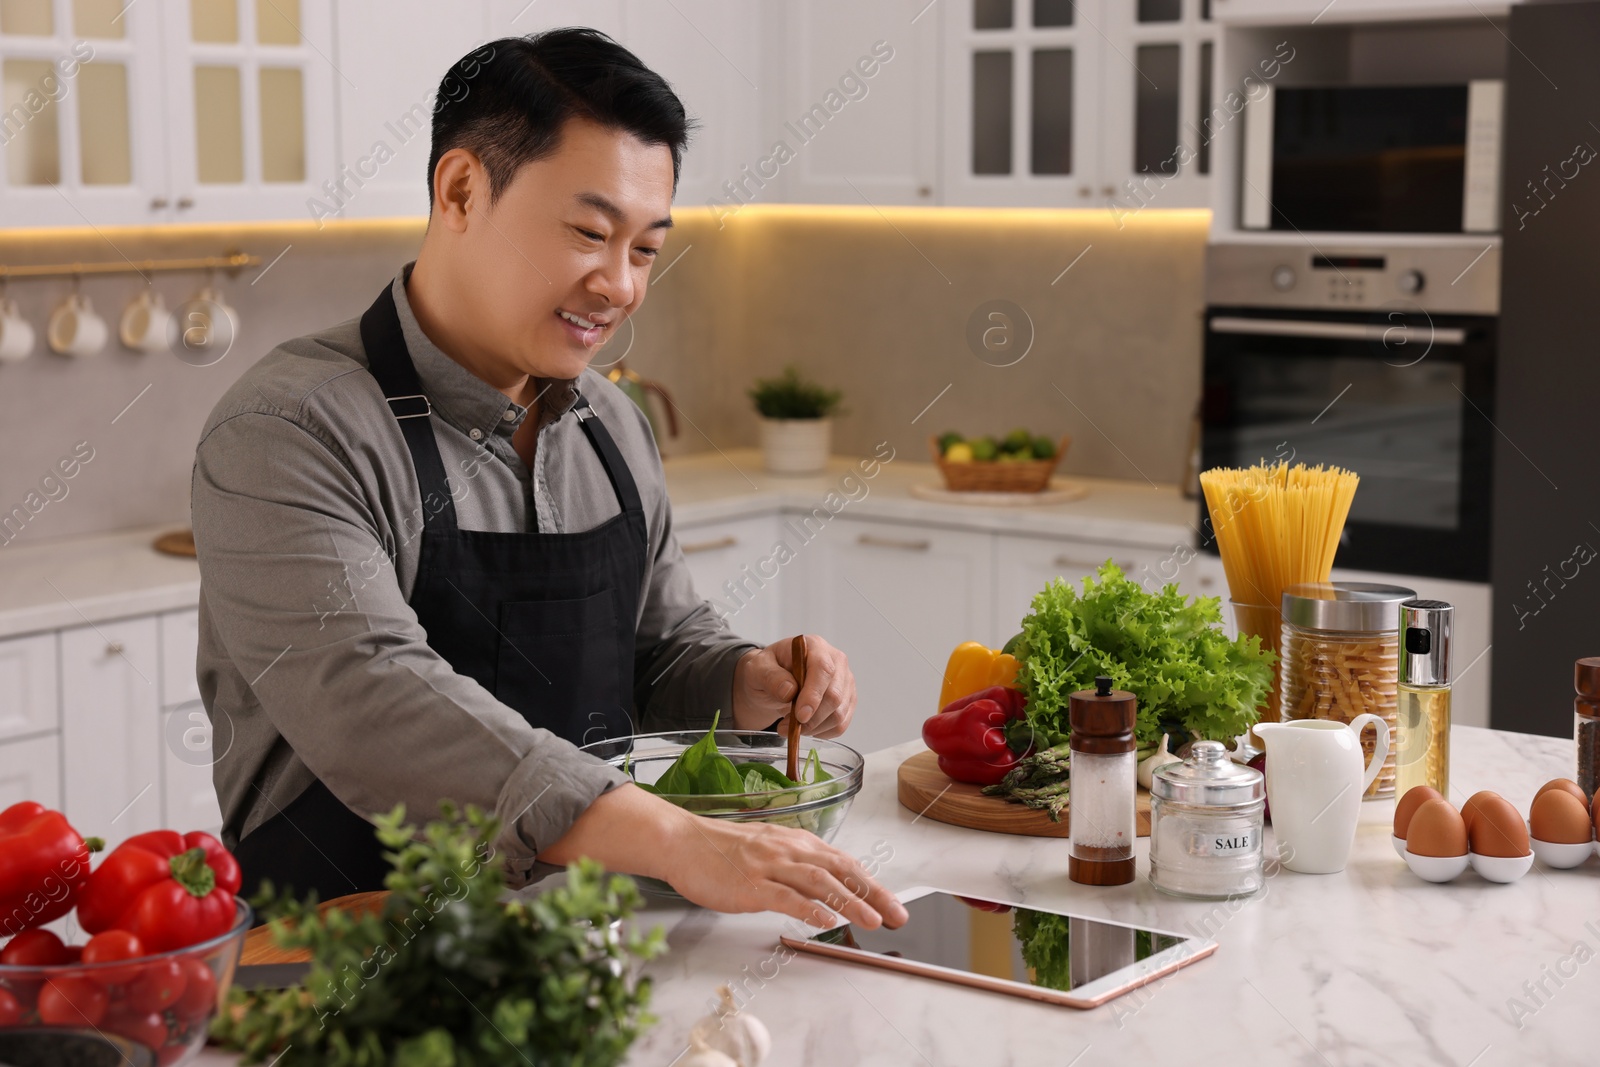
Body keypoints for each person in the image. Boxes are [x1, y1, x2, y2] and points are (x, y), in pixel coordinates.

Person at [191, 28, 905, 933]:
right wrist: (677, 840)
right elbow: (372, 694)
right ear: (460, 190)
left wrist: (742, 681)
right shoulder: (289, 429)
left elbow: (656, 651)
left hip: (583, 950)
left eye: (646, 249)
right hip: (348, 964)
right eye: (588, 232)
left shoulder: (611, 426)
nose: (619, 285)